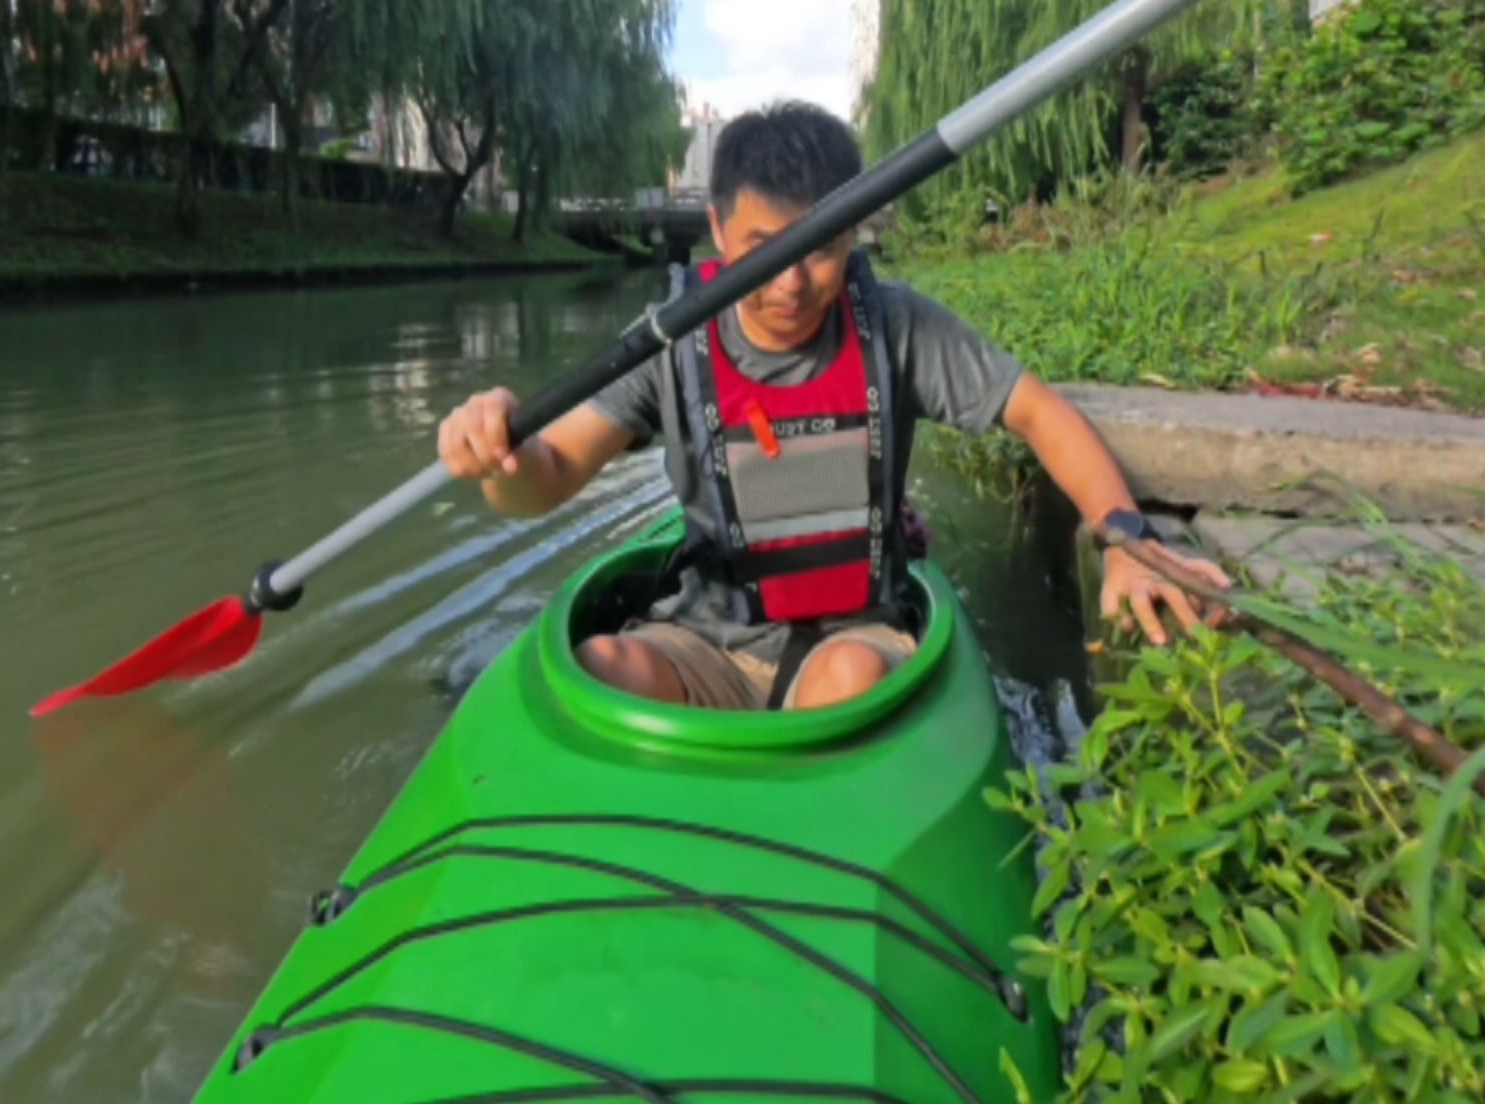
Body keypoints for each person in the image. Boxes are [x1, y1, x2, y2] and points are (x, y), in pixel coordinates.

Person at [435, 101, 1230, 712]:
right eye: (764, 250)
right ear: (715, 230)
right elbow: (542, 479)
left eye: (819, 248)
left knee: (846, 679)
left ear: (854, 233)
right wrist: (497, 456)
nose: (791, 284)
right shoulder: (671, 343)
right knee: (604, 666)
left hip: (855, 636)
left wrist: (1125, 535)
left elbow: (1039, 414)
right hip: (702, 638)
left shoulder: (898, 323)